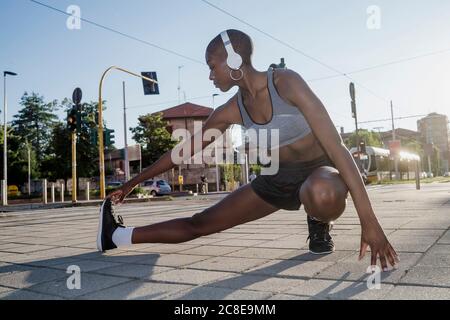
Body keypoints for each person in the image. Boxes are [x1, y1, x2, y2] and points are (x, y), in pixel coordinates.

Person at [98, 29, 398, 271]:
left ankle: (318, 222)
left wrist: (369, 220)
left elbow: (337, 147)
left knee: (319, 191)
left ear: (232, 58)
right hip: (277, 179)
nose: (210, 75)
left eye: (212, 66)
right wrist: (133, 183)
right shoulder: (231, 109)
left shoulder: (286, 82)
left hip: (321, 171)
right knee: (200, 223)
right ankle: (116, 236)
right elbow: (182, 152)